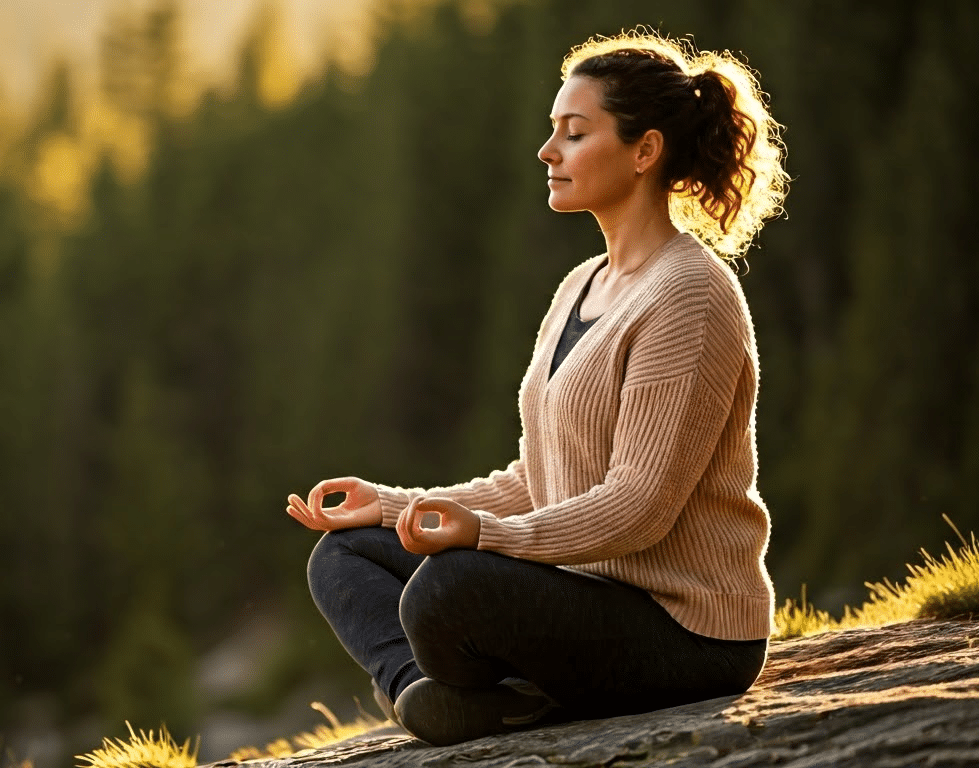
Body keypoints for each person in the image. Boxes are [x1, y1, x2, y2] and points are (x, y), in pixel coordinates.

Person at [286, 30, 788, 747]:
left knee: (450, 588)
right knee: (347, 554)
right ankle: (430, 698)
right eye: (553, 132)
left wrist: (488, 537)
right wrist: (394, 505)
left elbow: (639, 507)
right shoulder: (580, 286)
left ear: (645, 151)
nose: (548, 152)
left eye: (574, 133)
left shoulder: (689, 296)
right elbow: (538, 479)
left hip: (684, 631)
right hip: (580, 596)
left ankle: (501, 695)